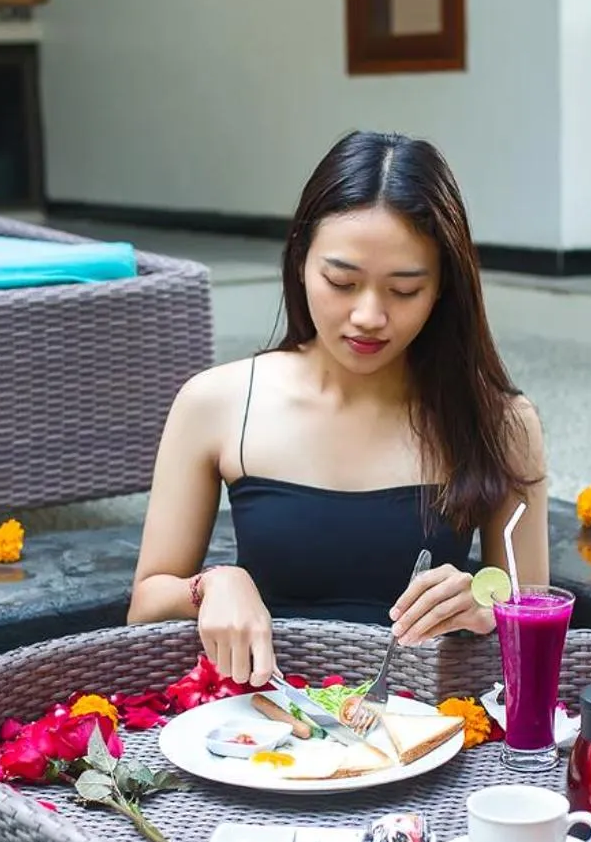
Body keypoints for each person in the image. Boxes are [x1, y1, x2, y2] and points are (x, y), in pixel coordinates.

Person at [127, 129, 549, 686]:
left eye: (404, 291)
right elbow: (145, 606)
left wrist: (481, 603)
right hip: (265, 729)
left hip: (430, 728)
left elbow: (533, 611)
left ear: (444, 288)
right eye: (342, 282)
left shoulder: (500, 421)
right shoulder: (217, 403)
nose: (370, 315)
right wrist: (213, 583)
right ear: (301, 260)